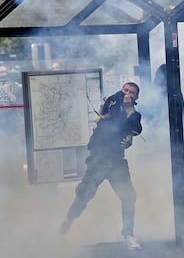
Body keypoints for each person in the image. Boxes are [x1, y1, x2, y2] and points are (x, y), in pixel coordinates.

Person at [60, 82, 143, 250]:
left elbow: (137, 128)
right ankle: (69, 219)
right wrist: (125, 112)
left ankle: (128, 234)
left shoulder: (134, 114)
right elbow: (116, 121)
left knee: (129, 196)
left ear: (136, 97)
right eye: (125, 90)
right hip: (99, 158)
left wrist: (128, 112)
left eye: (131, 92)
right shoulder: (113, 101)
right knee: (84, 194)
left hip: (116, 161)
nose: (126, 94)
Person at [148, 63, 184, 155]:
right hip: (162, 137)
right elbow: (183, 116)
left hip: (164, 138)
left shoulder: (153, 92)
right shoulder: (156, 93)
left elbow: (183, 116)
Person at [0, 64, 22, 134]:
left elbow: (15, 100)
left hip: (10, 117)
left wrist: (6, 90)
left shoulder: (12, 84)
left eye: (5, 72)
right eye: (1, 72)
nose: (4, 74)